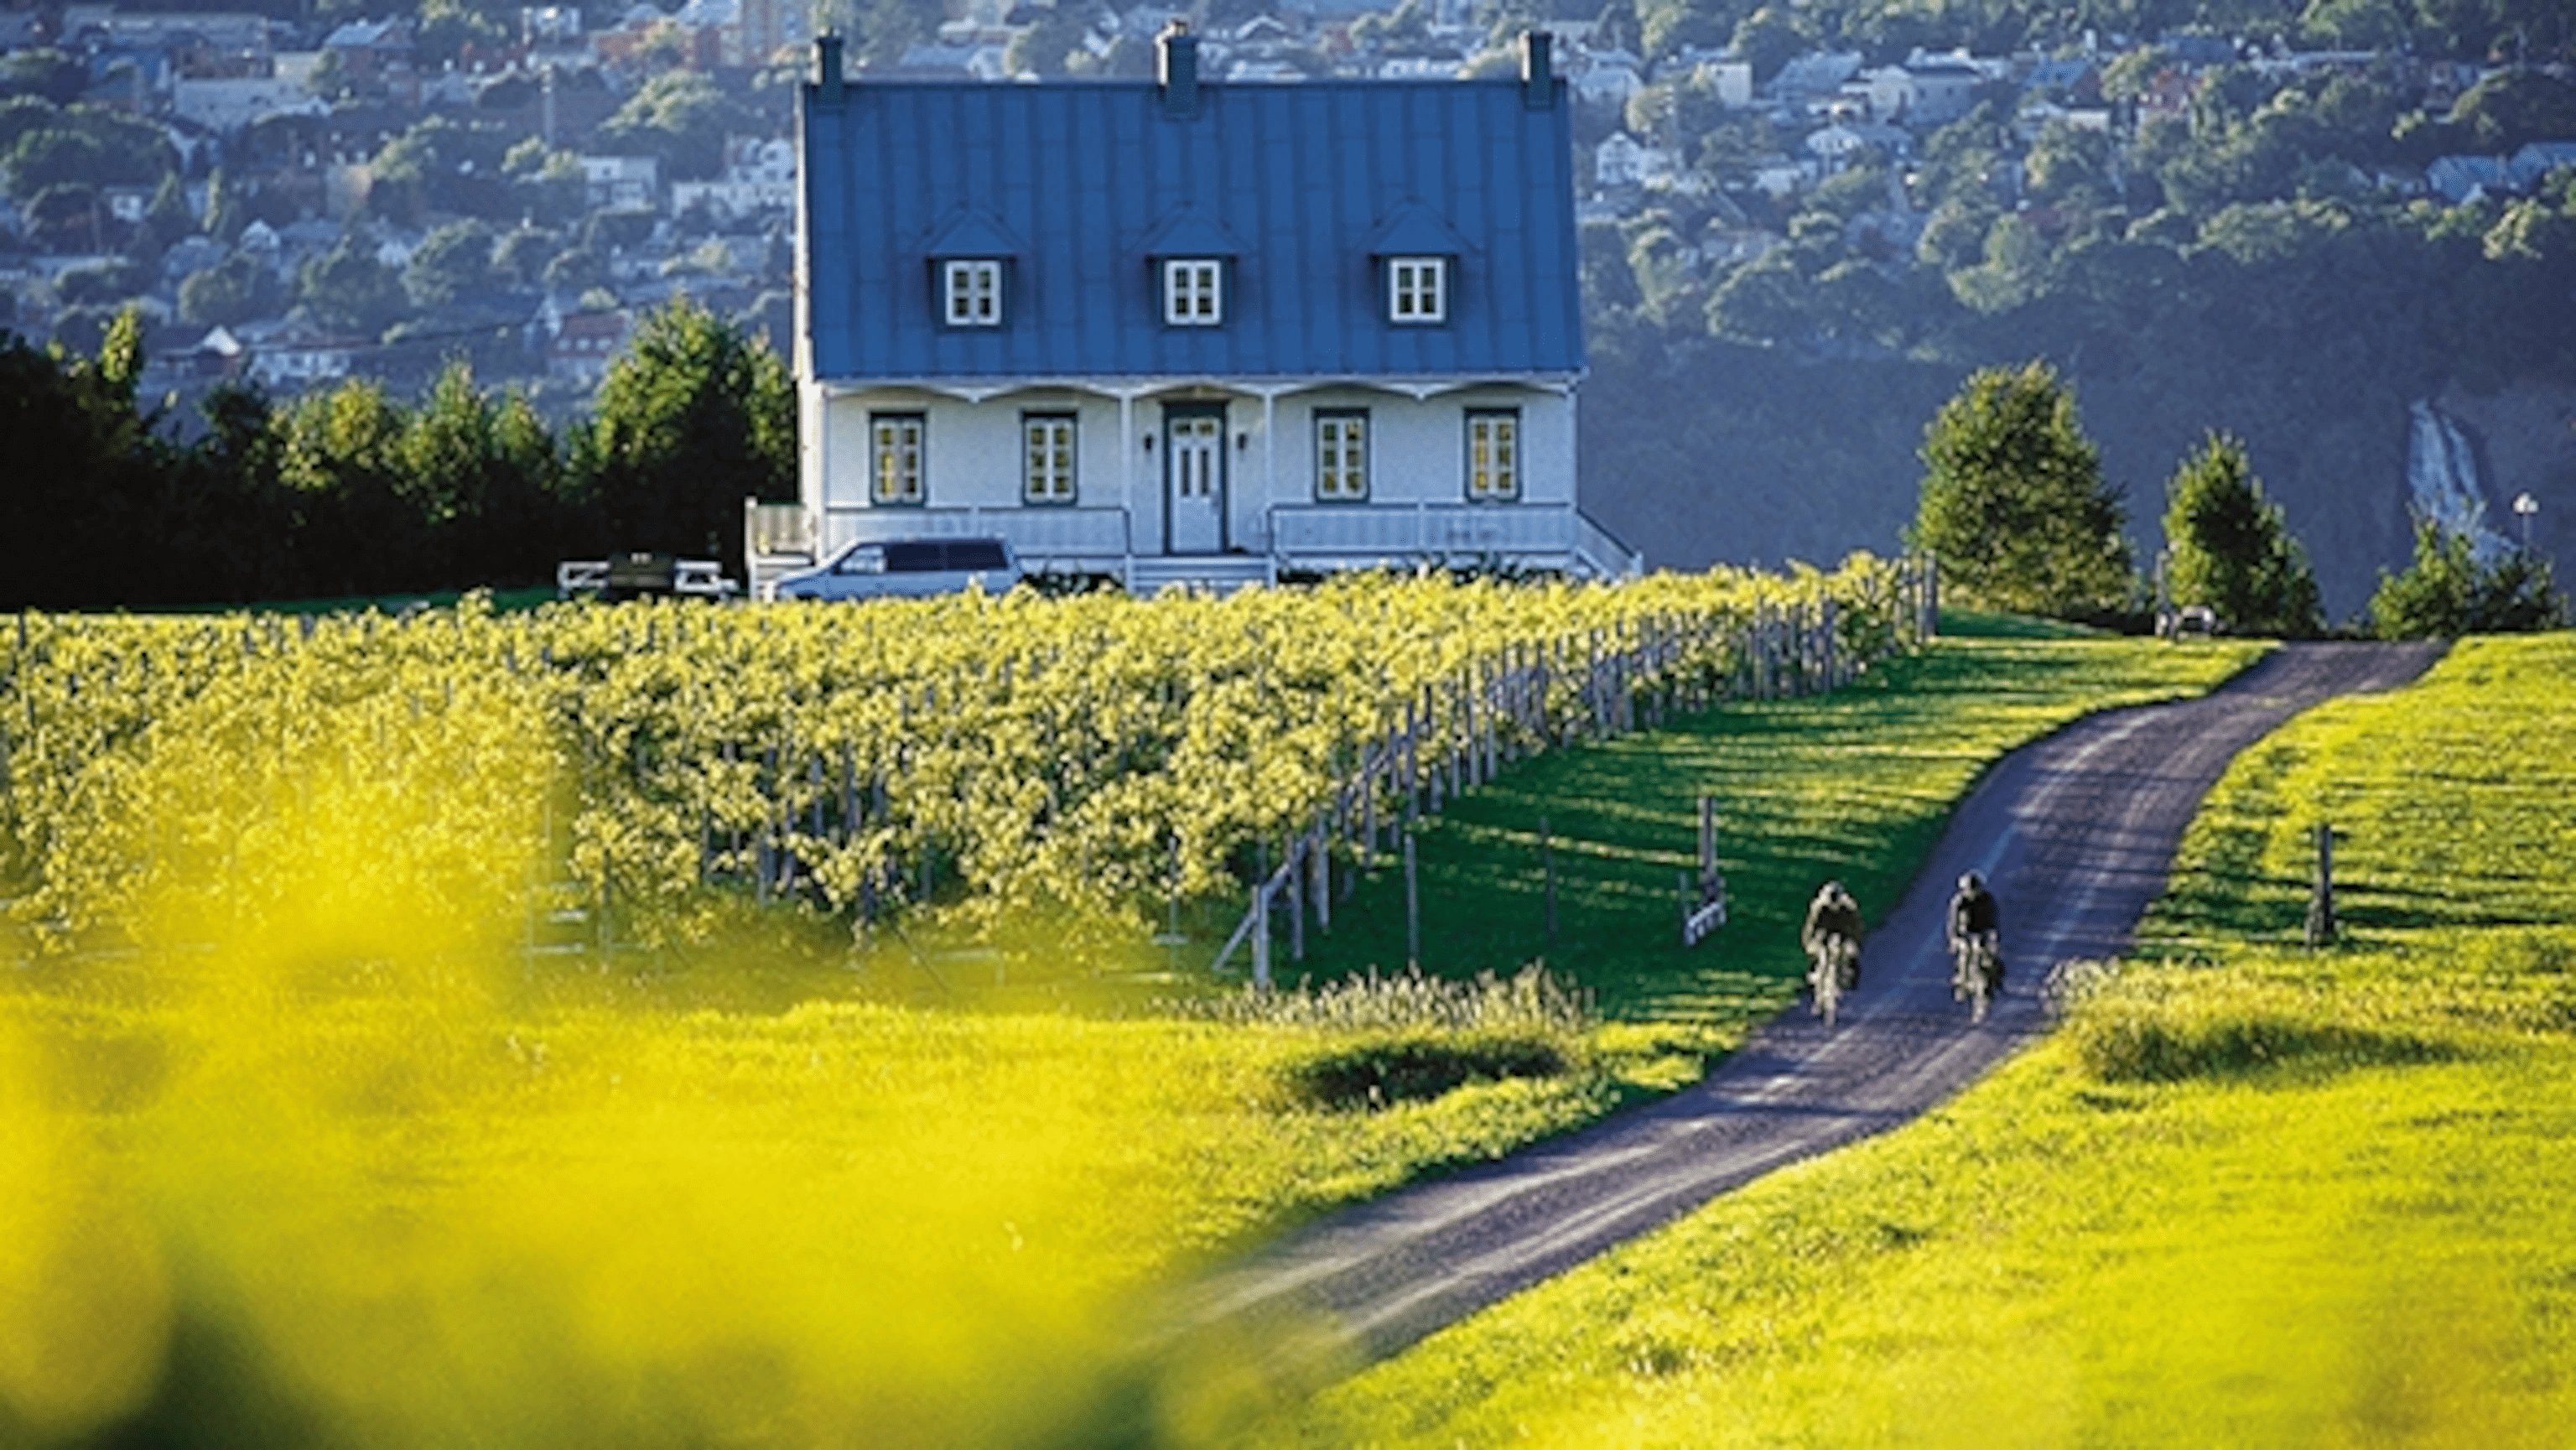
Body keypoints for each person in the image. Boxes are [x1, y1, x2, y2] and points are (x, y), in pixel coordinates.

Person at [1947, 870, 2002, 996]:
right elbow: (1953, 923)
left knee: (1991, 953)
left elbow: (1994, 918)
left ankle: (1995, 979)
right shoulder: (1959, 902)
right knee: (1966, 952)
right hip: (1964, 933)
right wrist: (1954, 940)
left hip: (1983, 931)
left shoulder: (1987, 899)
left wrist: (1994, 936)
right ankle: (1963, 981)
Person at [1802, 880, 1864, 990]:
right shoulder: (1819, 908)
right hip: (1825, 931)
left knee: (1851, 952)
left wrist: (1855, 943)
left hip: (1844, 931)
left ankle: (1852, 972)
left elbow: (1857, 927)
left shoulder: (1849, 907)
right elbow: (1810, 928)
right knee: (1815, 951)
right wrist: (1809, 947)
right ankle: (1812, 974)